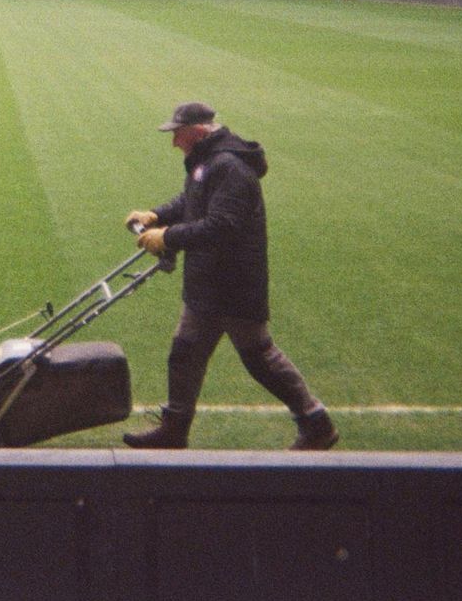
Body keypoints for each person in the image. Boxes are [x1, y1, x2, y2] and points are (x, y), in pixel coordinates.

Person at [123, 101, 337, 451]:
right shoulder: (207, 162)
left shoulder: (230, 167)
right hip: (207, 282)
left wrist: (168, 237)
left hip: (234, 284)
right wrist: (155, 215)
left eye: (177, 133)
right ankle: (174, 429)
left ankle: (317, 425)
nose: (174, 141)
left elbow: (222, 225)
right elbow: (192, 202)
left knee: (261, 359)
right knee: (185, 352)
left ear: (197, 131)